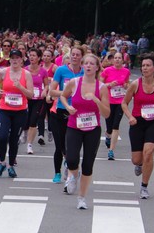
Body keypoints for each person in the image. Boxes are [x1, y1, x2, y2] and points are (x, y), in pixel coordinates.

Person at [60, 53, 110, 209]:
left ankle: (81, 197)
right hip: (74, 126)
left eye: (91, 63)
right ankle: (74, 175)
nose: (88, 66)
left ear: (97, 67)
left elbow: (107, 113)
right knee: (72, 159)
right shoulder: (74, 82)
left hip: (93, 129)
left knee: (88, 164)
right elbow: (63, 96)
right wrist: (68, 107)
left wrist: (95, 99)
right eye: (86, 63)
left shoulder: (101, 87)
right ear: (82, 66)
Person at [121, 54, 154, 200]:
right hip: (137, 122)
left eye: (148, 65)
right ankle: (139, 165)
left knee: (148, 153)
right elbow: (124, 103)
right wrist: (130, 117)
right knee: (137, 159)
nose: (145, 68)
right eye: (143, 66)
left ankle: (144, 186)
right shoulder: (135, 84)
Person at [0, 48, 33, 177]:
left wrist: (21, 87)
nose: (15, 60)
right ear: (9, 59)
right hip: (4, 110)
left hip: (20, 111)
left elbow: (31, 95)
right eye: (13, 58)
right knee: (2, 137)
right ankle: (2, 162)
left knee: (14, 139)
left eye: (17, 58)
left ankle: (10, 165)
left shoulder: (26, 74)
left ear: (21, 60)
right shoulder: (3, 72)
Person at [49, 46, 84, 182]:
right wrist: (67, 93)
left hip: (78, 111)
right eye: (72, 54)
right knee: (60, 145)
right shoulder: (61, 70)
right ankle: (57, 172)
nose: (74, 57)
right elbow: (52, 91)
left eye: (77, 55)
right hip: (62, 109)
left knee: (72, 145)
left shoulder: (84, 72)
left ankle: (71, 166)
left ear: (81, 57)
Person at [100, 50, 130, 161]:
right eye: (115, 58)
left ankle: (111, 151)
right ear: (113, 60)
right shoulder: (107, 71)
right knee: (109, 126)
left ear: (122, 60)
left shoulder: (126, 71)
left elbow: (127, 83)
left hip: (120, 101)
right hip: (108, 101)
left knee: (116, 125)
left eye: (119, 58)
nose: (117, 60)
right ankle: (108, 135)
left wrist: (126, 85)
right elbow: (100, 84)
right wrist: (109, 84)